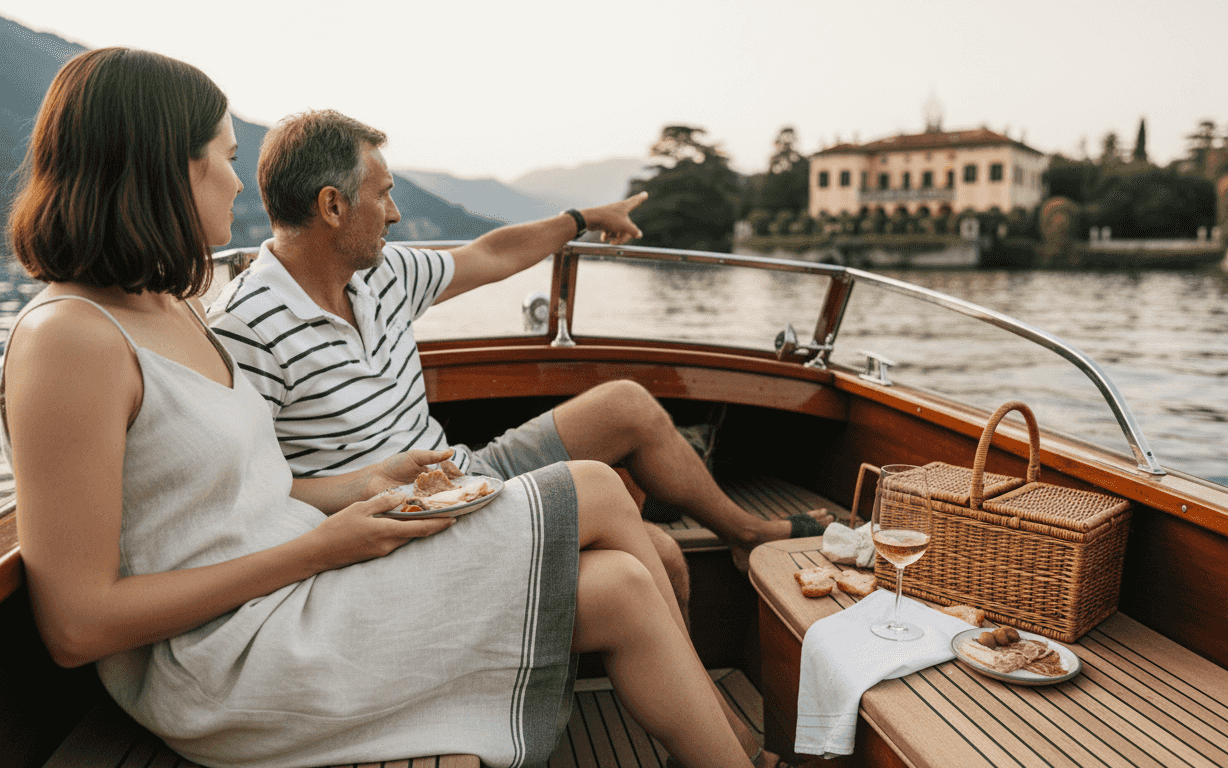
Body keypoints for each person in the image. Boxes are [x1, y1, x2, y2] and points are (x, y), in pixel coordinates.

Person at [2, 47, 767, 768]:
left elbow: (242, 495)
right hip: (228, 658)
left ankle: (732, 750)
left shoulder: (172, 306)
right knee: (596, 491)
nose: (240, 187)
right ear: (165, 169)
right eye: (227, 160)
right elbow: (77, 625)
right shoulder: (69, 342)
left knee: (624, 583)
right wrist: (321, 548)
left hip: (293, 589)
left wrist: (359, 490)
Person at [205, 110, 834, 583]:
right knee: (661, 555)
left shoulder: (382, 273)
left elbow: (491, 253)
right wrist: (370, 484)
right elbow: (248, 494)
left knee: (626, 404)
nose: (395, 215)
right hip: (397, 526)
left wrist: (581, 220)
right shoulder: (246, 327)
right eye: (383, 194)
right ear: (333, 206)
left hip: (461, 474)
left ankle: (745, 532)